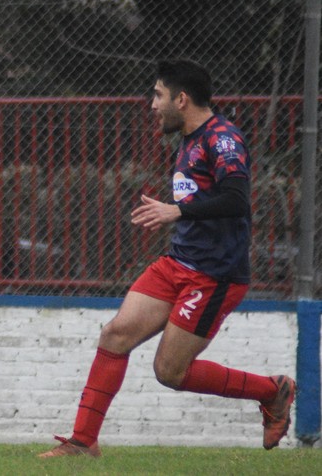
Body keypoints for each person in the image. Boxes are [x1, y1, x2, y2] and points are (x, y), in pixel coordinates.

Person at [39, 59, 296, 458]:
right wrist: (178, 212)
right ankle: (82, 442)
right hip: (177, 263)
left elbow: (236, 198)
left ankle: (273, 390)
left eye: (158, 95)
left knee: (169, 372)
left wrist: (176, 211)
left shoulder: (221, 138)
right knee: (114, 335)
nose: (152, 104)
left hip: (214, 275)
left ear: (181, 98)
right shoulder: (189, 139)